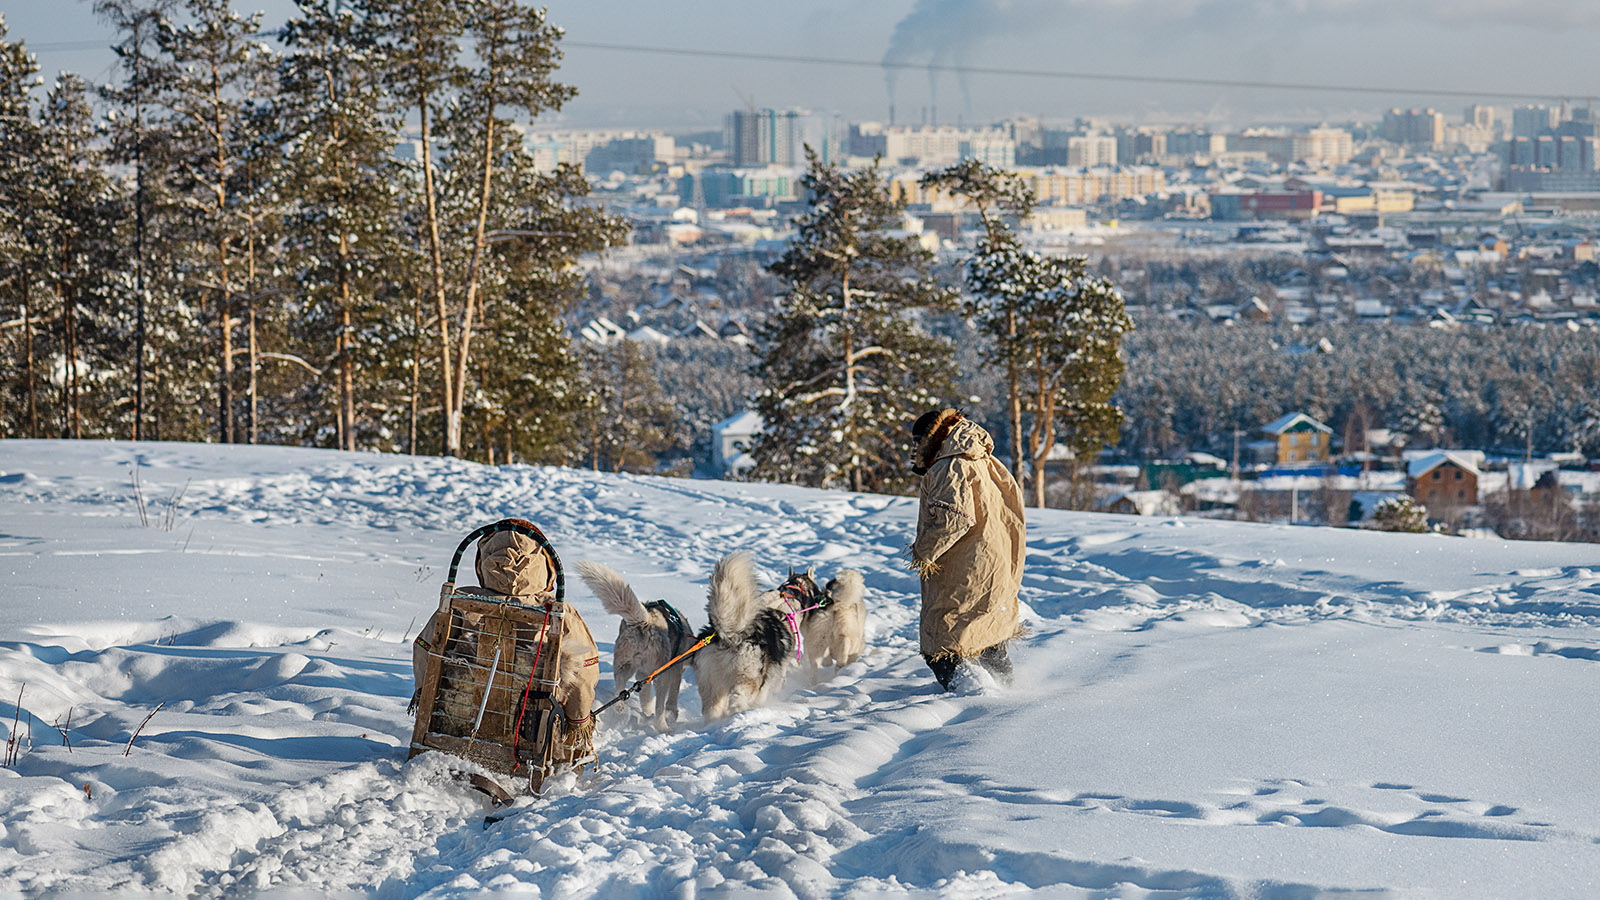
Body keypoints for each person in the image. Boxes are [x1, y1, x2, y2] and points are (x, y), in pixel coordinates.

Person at [412, 529, 600, 759]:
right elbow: (584, 672)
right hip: (528, 728)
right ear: (542, 565)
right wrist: (578, 722)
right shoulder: (558, 610)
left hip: (457, 719)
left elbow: (425, 650)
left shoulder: (461, 601)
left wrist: (426, 698)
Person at [907, 408, 1026, 690]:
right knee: (986, 635)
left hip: (967, 568)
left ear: (928, 439)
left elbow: (955, 519)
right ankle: (1009, 691)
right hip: (992, 559)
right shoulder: (981, 457)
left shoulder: (949, 466)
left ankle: (973, 697)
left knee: (941, 645)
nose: (913, 450)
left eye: (916, 442)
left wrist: (923, 552)